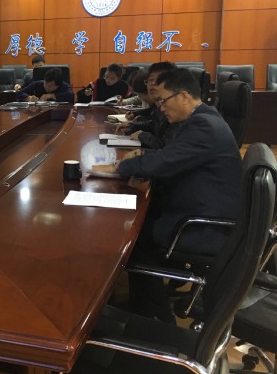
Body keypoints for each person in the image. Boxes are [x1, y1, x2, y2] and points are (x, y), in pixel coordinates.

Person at [94, 69, 242, 322]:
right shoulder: (203, 118)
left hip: (202, 226)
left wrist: (119, 167)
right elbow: (172, 154)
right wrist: (142, 157)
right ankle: (143, 305)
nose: (160, 107)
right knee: (137, 222)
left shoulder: (203, 126)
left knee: (132, 236)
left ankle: (154, 316)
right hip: (201, 208)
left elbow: (166, 161)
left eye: (163, 100)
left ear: (183, 96)